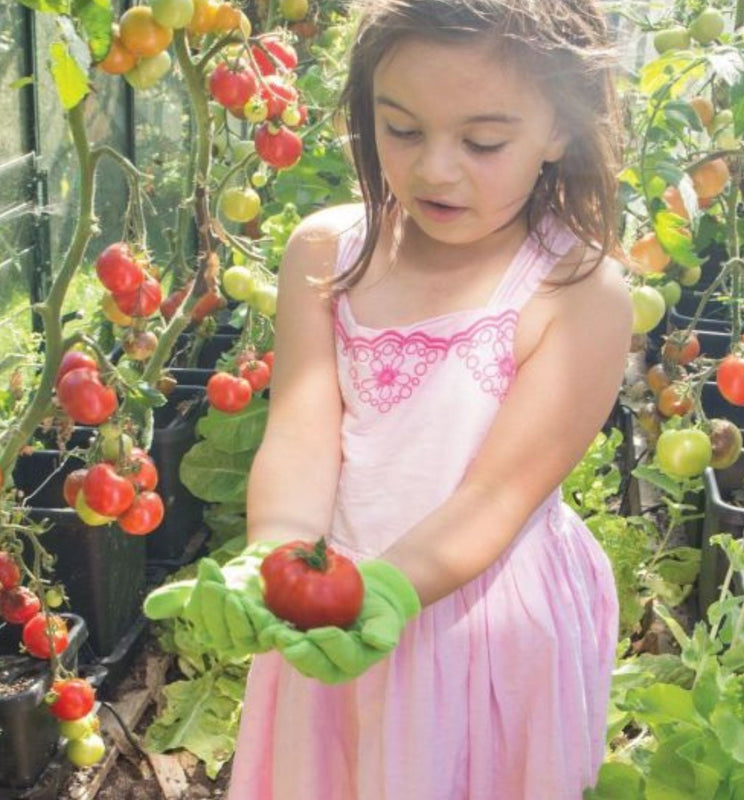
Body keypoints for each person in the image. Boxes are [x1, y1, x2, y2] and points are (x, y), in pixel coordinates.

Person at [145, 0, 633, 797]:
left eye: (483, 141)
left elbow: (497, 494)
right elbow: (304, 431)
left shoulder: (577, 290)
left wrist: (387, 592)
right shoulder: (325, 251)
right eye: (401, 129)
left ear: (560, 130)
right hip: (333, 605)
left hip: (484, 624)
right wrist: (278, 558)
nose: (435, 169)